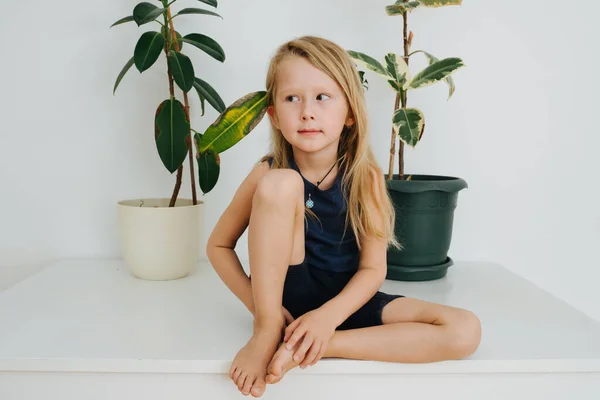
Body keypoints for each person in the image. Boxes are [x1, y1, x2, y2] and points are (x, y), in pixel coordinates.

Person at [206, 35, 481, 398]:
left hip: (346, 303)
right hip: (284, 300)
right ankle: (271, 333)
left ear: (350, 112)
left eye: (322, 97)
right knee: (281, 183)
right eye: (292, 99)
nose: (307, 111)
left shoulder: (364, 177)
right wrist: (263, 314)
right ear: (274, 114)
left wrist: (326, 321)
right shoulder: (269, 173)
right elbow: (219, 245)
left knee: (465, 329)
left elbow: (373, 270)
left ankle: (312, 345)